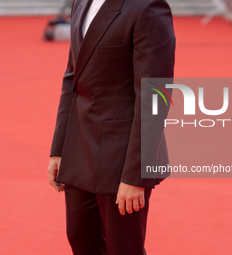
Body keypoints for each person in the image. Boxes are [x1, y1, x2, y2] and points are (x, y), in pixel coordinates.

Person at [47, 0, 175, 253]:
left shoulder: (147, 8)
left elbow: (155, 99)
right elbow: (72, 80)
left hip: (121, 158)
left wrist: (136, 175)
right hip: (79, 151)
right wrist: (59, 149)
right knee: (81, 240)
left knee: (123, 248)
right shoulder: (80, 2)